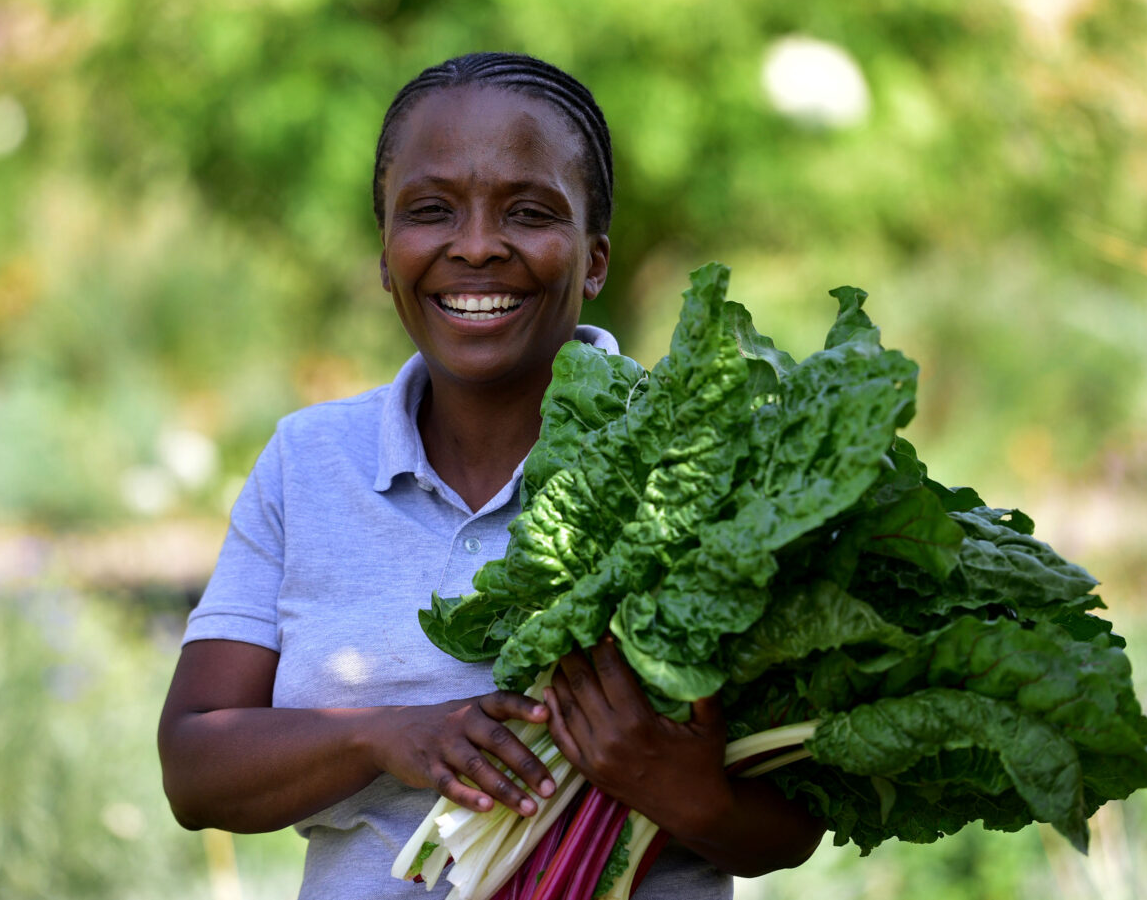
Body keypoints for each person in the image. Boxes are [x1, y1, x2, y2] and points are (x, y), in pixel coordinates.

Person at [157, 52, 824, 899]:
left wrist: (673, 784)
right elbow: (193, 766)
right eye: (430, 211)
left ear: (594, 258)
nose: (475, 246)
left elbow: (792, 828)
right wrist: (384, 736)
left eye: (529, 212)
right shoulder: (308, 461)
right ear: (385, 254)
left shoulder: (712, 464)